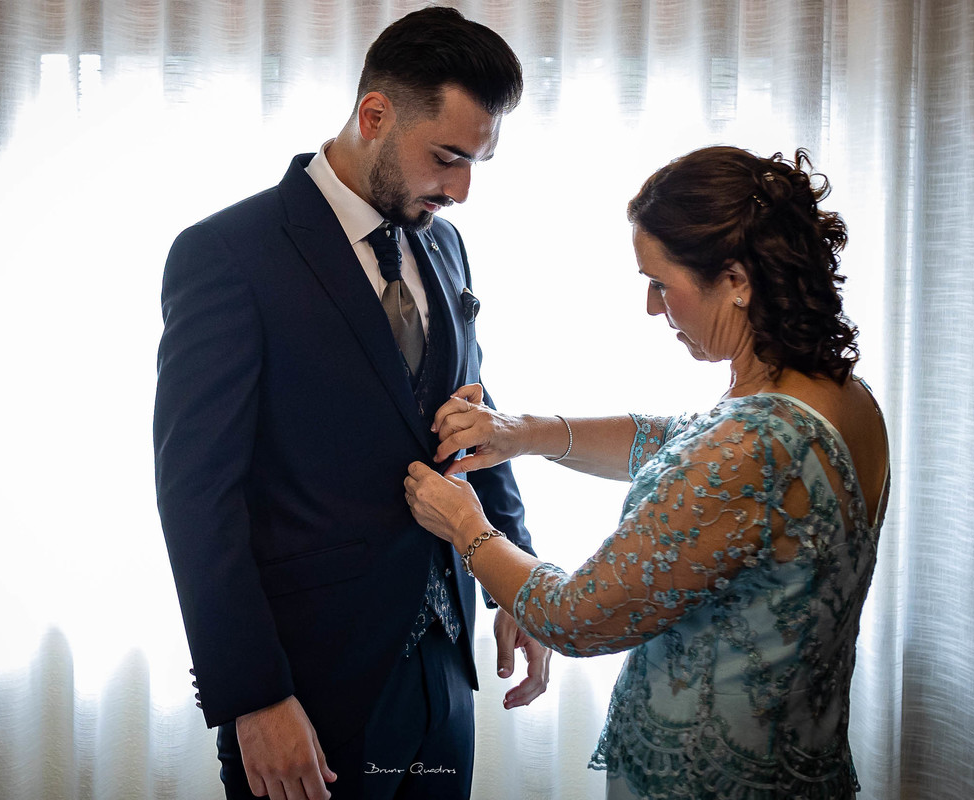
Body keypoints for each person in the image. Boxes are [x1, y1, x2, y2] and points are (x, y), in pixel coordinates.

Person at [404, 145, 890, 799]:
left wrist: (468, 528)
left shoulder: (750, 445)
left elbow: (575, 617)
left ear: (737, 280)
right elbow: (678, 439)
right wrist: (523, 432)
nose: (653, 308)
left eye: (661, 283)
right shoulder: (838, 397)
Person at [153, 8, 550, 800]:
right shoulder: (227, 253)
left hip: (445, 673)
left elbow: (474, 416)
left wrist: (518, 579)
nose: (463, 190)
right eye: (448, 158)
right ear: (374, 115)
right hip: (308, 688)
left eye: (478, 163)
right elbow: (198, 496)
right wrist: (254, 696)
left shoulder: (443, 243)